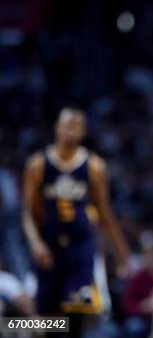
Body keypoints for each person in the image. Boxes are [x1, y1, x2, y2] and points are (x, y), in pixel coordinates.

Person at [22, 107, 130, 337]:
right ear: (56, 127)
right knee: (48, 320)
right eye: (66, 124)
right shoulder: (37, 165)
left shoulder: (94, 166)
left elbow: (105, 213)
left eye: (76, 126)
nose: (71, 130)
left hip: (80, 249)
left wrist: (121, 252)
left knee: (76, 318)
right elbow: (28, 213)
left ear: (83, 131)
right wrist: (35, 243)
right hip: (49, 248)